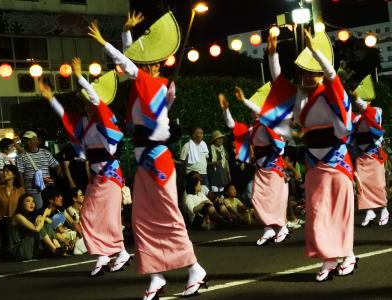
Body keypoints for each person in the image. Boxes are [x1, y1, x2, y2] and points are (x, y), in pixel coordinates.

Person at [88, 11, 206, 299]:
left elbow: (129, 65)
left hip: (159, 160)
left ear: (155, 66)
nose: (144, 66)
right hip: (145, 161)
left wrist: (107, 42)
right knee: (142, 219)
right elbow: (133, 65)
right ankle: (156, 275)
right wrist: (127, 35)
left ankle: (194, 268)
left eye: (149, 63)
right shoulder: (147, 86)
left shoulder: (160, 86)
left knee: (168, 216)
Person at [268, 30, 357, 281]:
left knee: (339, 212)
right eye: (304, 72)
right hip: (313, 164)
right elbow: (278, 83)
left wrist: (316, 51)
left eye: (311, 72)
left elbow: (331, 74)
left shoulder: (331, 91)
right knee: (318, 214)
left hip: (336, 161)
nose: (307, 76)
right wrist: (273, 55)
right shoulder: (299, 97)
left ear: (319, 73)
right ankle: (329, 257)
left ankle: (346, 254)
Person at [38, 57, 130, 276]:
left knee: (103, 216)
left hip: (109, 173)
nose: (87, 105)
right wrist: (51, 98)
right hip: (97, 176)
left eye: (90, 101)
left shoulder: (105, 117)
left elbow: (97, 101)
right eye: (85, 102)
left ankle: (110, 253)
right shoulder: (84, 122)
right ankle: (112, 253)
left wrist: (80, 76)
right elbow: (64, 116)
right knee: (90, 215)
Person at [218, 90, 290, 246]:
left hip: (274, 169)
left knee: (275, 199)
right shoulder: (254, 129)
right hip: (262, 169)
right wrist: (225, 109)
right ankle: (269, 228)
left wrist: (244, 100)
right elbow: (232, 125)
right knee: (257, 199)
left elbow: (281, 146)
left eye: (255, 109)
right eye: (252, 110)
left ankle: (281, 227)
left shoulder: (269, 126)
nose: (252, 112)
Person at [352, 94, 389, 226]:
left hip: (374, 154)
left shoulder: (376, 111)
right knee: (363, 185)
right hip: (361, 155)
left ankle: (384, 209)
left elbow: (372, 116)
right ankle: (370, 210)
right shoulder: (356, 117)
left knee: (378, 184)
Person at [16, 131, 61, 209]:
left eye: (31, 140)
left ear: (36, 140)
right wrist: (24, 191)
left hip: (48, 190)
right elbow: (20, 175)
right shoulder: (21, 157)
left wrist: (54, 180)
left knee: (50, 211)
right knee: (38, 211)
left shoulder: (46, 153)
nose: (28, 142)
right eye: (26, 140)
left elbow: (57, 166)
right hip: (32, 191)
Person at [8, 194, 59, 260]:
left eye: (33, 201)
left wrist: (40, 217)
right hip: (19, 251)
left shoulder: (30, 216)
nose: (31, 203)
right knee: (39, 227)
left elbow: (50, 222)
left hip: (28, 248)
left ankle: (57, 247)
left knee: (44, 224)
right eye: (28, 201)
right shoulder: (18, 216)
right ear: (21, 204)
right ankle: (54, 249)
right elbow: (36, 229)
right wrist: (44, 214)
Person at [0, 165, 25, 258]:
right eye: (3, 171)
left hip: (15, 221)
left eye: (7, 171)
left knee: (10, 223)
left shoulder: (20, 190)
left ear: (14, 175)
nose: (4, 173)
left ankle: (11, 249)